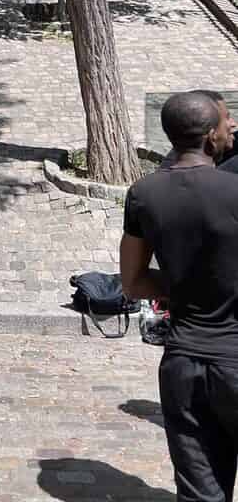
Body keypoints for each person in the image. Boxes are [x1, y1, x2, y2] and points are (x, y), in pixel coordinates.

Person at [120, 91, 238, 502]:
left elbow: (132, 282)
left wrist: (187, 287)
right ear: (210, 137)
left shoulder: (143, 194)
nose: (231, 130)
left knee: (199, 491)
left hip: (184, 362)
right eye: (226, 125)